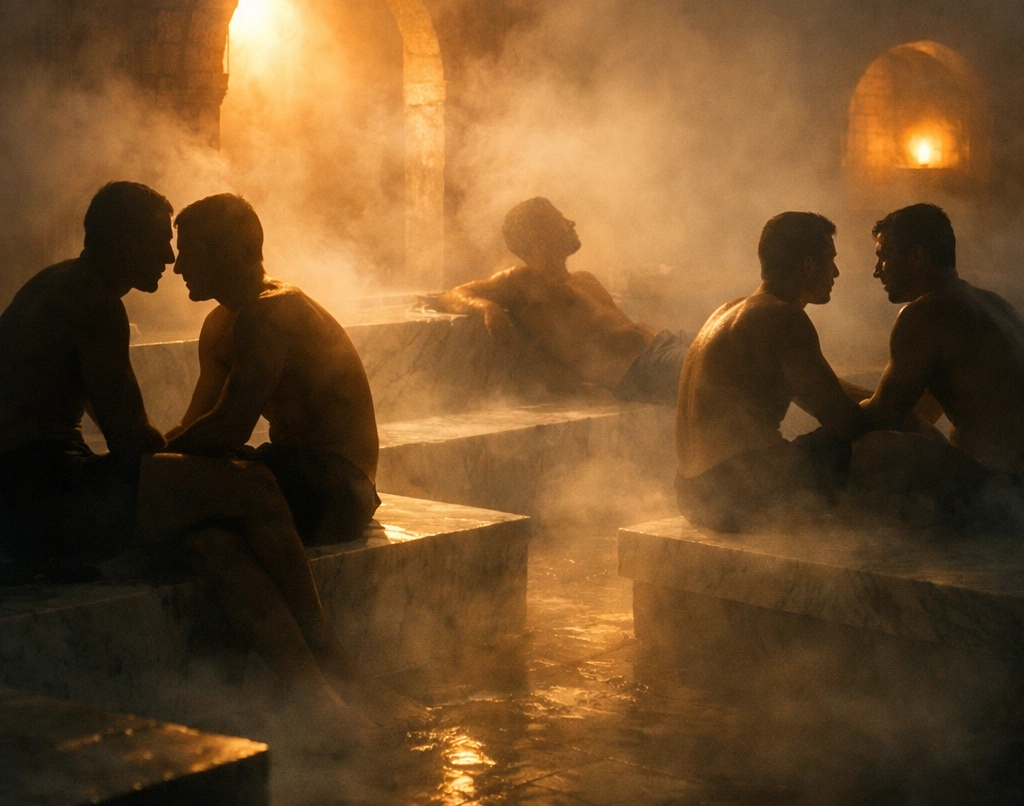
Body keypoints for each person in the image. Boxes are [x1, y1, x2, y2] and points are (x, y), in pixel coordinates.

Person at [0, 182, 381, 740]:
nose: (171, 260)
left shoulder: (65, 287)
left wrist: (175, 475)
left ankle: (314, 705)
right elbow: (138, 441)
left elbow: (197, 433)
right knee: (250, 488)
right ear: (126, 244)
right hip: (37, 489)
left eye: (181, 247)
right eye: (162, 242)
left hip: (35, 496)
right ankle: (339, 670)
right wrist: (176, 473)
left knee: (211, 544)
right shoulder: (92, 302)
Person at [164, 193, 380, 547]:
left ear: (227, 253)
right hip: (287, 464)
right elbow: (196, 423)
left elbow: (230, 428)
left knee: (186, 495)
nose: (178, 267)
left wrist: (146, 462)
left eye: (189, 252)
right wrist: (152, 455)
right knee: (177, 487)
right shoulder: (219, 324)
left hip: (340, 485)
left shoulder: (271, 312)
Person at [675, 212, 870, 532]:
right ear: (809, 265)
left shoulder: (729, 311)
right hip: (739, 496)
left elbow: (816, 391)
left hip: (692, 493)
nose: (836, 272)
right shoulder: (784, 317)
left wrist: (875, 398)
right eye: (831, 260)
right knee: (870, 445)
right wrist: (899, 413)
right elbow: (846, 422)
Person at [855, 203, 1024, 528]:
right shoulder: (992, 303)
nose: (877, 271)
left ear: (917, 256)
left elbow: (880, 417)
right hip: (1007, 482)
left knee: (874, 448)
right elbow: (917, 414)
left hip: (1007, 492)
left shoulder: (924, 314)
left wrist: (813, 390)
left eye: (883, 255)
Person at [437, 197, 687, 404]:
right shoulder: (523, 280)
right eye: (560, 219)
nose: (571, 222)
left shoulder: (585, 279)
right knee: (712, 365)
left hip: (666, 344)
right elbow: (453, 294)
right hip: (641, 370)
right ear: (537, 234)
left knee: (713, 334)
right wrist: (488, 308)